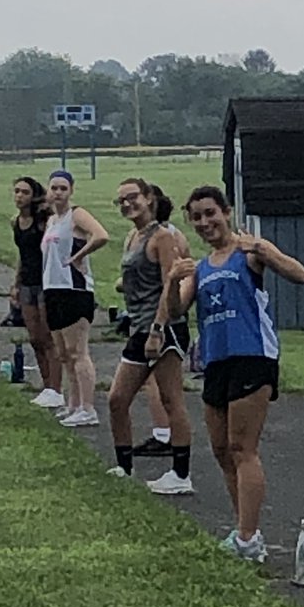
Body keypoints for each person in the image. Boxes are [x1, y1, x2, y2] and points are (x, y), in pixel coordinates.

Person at [167, 186, 304, 559]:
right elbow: (176, 311)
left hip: (252, 355)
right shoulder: (199, 268)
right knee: (220, 449)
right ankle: (246, 531)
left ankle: (247, 537)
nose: (204, 222)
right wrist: (170, 281)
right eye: (196, 216)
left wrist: (265, 251)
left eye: (210, 213)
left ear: (226, 212)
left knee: (242, 447)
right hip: (216, 360)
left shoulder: (248, 253)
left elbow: (300, 275)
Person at [107, 179, 193, 495]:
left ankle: (181, 474)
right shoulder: (133, 236)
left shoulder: (163, 238)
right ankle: (124, 466)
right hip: (138, 327)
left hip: (163, 328)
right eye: (122, 201)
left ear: (149, 198)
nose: (128, 205)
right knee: (117, 399)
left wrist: (158, 329)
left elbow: (170, 286)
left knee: (171, 399)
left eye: (133, 198)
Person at [41, 169, 109, 427]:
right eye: (54, 188)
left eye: (63, 188)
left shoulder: (76, 215)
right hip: (52, 288)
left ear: (71, 191)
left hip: (74, 290)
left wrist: (78, 257)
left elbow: (101, 235)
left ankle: (88, 407)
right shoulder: (51, 221)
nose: (58, 193)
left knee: (78, 350)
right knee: (63, 353)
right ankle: (73, 404)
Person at [133, 186, 190, 458]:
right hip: (147, 318)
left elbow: (173, 279)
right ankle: (165, 435)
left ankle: (166, 436)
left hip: (164, 320)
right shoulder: (142, 237)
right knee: (158, 386)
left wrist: (160, 323)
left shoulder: (167, 237)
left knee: (163, 387)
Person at [11, 176, 64, 408]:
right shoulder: (16, 222)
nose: (19, 196)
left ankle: (56, 387)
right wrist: (16, 283)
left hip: (45, 282)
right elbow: (22, 255)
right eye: (17, 191)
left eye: (24, 192)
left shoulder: (42, 221)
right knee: (34, 338)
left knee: (49, 337)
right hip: (27, 283)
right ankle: (46, 385)